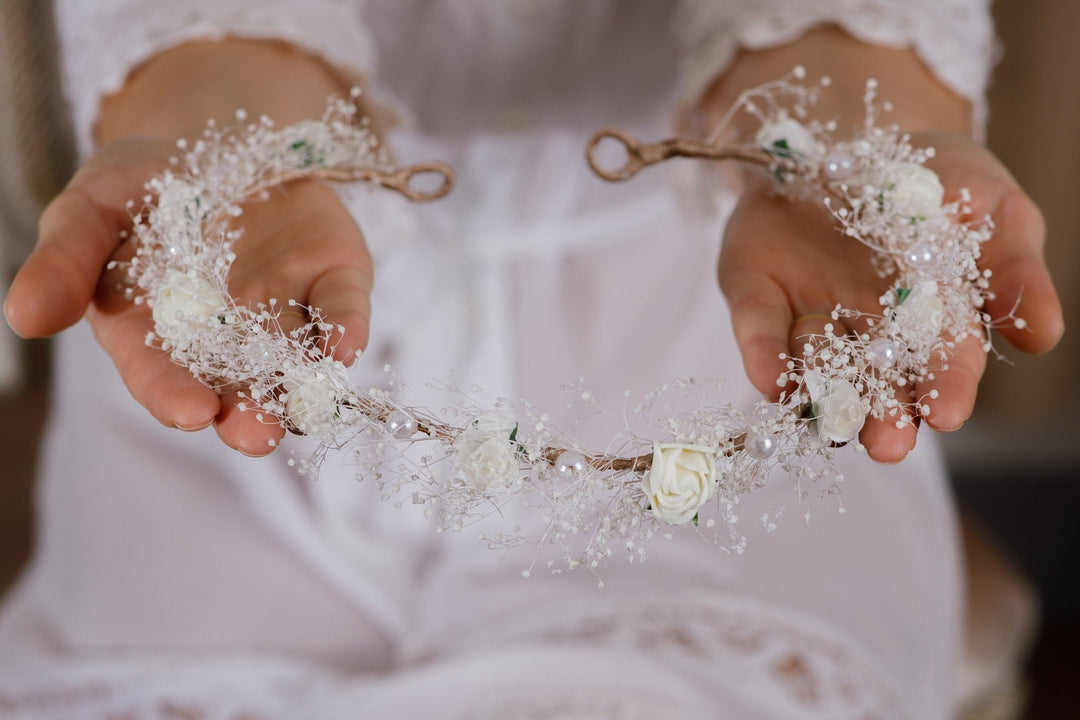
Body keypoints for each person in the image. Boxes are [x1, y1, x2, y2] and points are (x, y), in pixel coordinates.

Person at [0, 1, 1063, 717]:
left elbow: (851, 45)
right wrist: (217, 128)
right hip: (225, 390)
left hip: (714, 371)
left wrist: (846, 134)